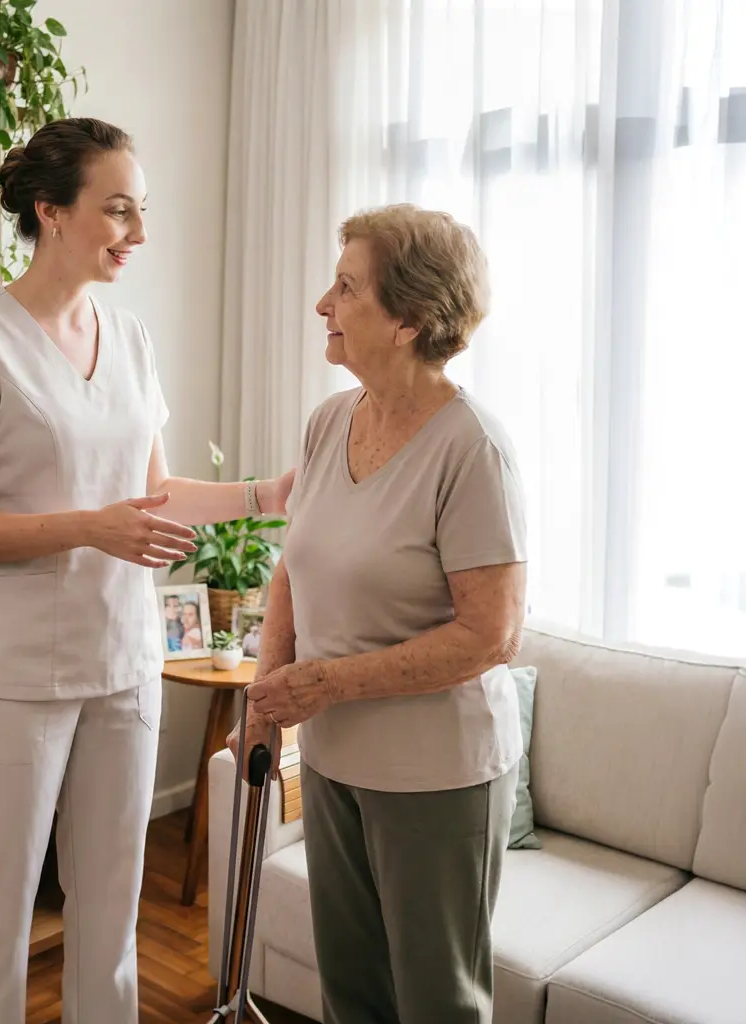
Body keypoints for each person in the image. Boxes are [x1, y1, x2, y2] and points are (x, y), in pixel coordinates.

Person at [0, 117, 292, 1024]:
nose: (139, 233)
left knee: (113, 914)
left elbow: (154, 493)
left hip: (124, 666)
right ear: (51, 211)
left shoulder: (129, 339)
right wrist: (91, 528)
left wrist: (265, 493)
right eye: (119, 210)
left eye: (141, 210)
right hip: (10, 679)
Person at [229, 203, 527, 1024]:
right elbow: (294, 568)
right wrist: (267, 700)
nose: (323, 304)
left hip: (438, 776)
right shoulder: (331, 420)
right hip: (335, 762)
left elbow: (491, 636)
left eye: (347, 288)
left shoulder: (473, 449)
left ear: (408, 321)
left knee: (436, 1005)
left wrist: (325, 684)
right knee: (351, 996)